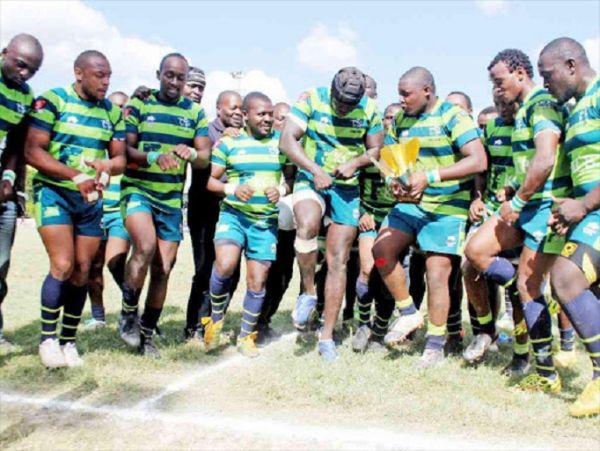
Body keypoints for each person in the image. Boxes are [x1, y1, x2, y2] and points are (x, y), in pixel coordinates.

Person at [465, 49, 569, 393]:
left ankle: (545, 372)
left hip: (543, 207)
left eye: (499, 81)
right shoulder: (522, 110)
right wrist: (510, 188)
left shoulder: (543, 105)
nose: (496, 89)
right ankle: (522, 292)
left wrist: (520, 198)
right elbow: (525, 163)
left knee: (527, 286)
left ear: (520, 74)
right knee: (476, 251)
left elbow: (545, 158)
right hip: (521, 204)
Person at [373, 67, 486, 368]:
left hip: (447, 206)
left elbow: (478, 160)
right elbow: (388, 159)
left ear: (427, 90)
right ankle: (409, 313)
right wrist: (392, 182)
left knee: (436, 274)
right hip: (411, 205)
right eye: (399, 93)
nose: (401, 99)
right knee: (381, 251)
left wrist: (431, 176)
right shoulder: (400, 119)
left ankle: (434, 345)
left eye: (406, 93)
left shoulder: (453, 116)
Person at [25, 50, 126, 368]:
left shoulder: (112, 112)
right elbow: (33, 151)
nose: (106, 82)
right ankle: (48, 340)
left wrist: (107, 167)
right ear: (79, 73)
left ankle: (68, 342)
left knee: (83, 269)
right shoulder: (52, 100)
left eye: (109, 75)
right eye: (100, 75)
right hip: (54, 192)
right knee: (64, 263)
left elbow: (120, 159)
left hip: (89, 200)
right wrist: (75, 175)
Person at [279, 67, 383, 361]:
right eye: (340, 102)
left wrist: (356, 163)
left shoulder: (370, 109)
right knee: (308, 224)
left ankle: (326, 338)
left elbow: (376, 149)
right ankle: (309, 292)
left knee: (339, 260)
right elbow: (287, 141)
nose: (343, 108)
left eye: (350, 105)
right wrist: (315, 170)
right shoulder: (312, 99)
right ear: (332, 91)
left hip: (346, 189)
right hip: (311, 179)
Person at [118, 52, 211, 358]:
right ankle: (128, 313)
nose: (174, 81)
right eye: (169, 75)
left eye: (180, 77)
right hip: (139, 190)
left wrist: (191, 154)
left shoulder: (195, 114)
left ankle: (146, 335)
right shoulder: (140, 104)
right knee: (144, 247)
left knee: (164, 268)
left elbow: (204, 159)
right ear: (159, 74)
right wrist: (155, 156)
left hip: (171, 200)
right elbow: (126, 152)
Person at [203, 92, 293, 357]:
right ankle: (215, 319)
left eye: (269, 114)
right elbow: (209, 181)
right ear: (245, 114)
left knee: (258, 281)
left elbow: (290, 178)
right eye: (261, 114)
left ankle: (246, 336)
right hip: (234, 216)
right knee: (226, 264)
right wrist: (231, 188)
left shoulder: (281, 144)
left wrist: (282, 190)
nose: (267, 119)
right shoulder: (227, 143)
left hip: (265, 221)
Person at [538, 37, 600, 417]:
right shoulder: (575, 112)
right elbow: (566, 178)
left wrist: (585, 204)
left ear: (572, 65)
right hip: (586, 213)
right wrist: (559, 210)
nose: (547, 84)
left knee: (565, 277)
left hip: (595, 210)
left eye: (549, 75)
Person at [461, 96, 530, 375]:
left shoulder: (532, 127)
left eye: (507, 104)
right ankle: (486, 329)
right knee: (469, 266)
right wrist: (477, 197)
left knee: (520, 292)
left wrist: (515, 191)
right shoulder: (491, 130)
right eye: (497, 103)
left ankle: (522, 356)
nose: (502, 108)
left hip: (521, 214)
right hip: (491, 210)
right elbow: (482, 167)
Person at [184, 90, 243, 341]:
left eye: (241, 108)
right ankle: (193, 326)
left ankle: (212, 324)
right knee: (205, 269)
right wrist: (221, 143)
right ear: (219, 108)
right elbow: (202, 169)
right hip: (204, 209)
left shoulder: (245, 135)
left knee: (232, 271)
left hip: (233, 212)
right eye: (232, 108)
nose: (237, 112)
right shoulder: (206, 132)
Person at [0, 33, 43, 349]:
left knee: (1, 265)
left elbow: (16, 142)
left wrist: (11, 178)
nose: (24, 74)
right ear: (5, 53)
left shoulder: (26, 96)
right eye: (21, 65)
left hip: (4, 192)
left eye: (32, 70)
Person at [351, 102, 400, 352]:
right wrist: (362, 211)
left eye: (395, 118)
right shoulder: (367, 152)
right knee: (367, 268)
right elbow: (351, 188)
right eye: (386, 117)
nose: (390, 122)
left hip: (395, 222)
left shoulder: (402, 155)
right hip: (370, 219)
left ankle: (381, 328)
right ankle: (363, 323)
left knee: (387, 273)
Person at [85, 91, 131, 330]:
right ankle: (98, 316)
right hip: (94, 209)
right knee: (93, 267)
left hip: (119, 213)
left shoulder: (129, 139)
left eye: (125, 107)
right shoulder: (95, 136)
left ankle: (131, 310)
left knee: (115, 262)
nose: (121, 111)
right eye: (116, 106)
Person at [256, 101, 294, 345]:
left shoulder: (294, 148)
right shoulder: (263, 144)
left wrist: (282, 189)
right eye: (280, 118)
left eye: (287, 120)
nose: (283, 124)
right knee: (262, 274)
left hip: (289, 225)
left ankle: (264, 320)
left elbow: (290, 179)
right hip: (262, 221)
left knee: (284, 276)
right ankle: (254, 322)